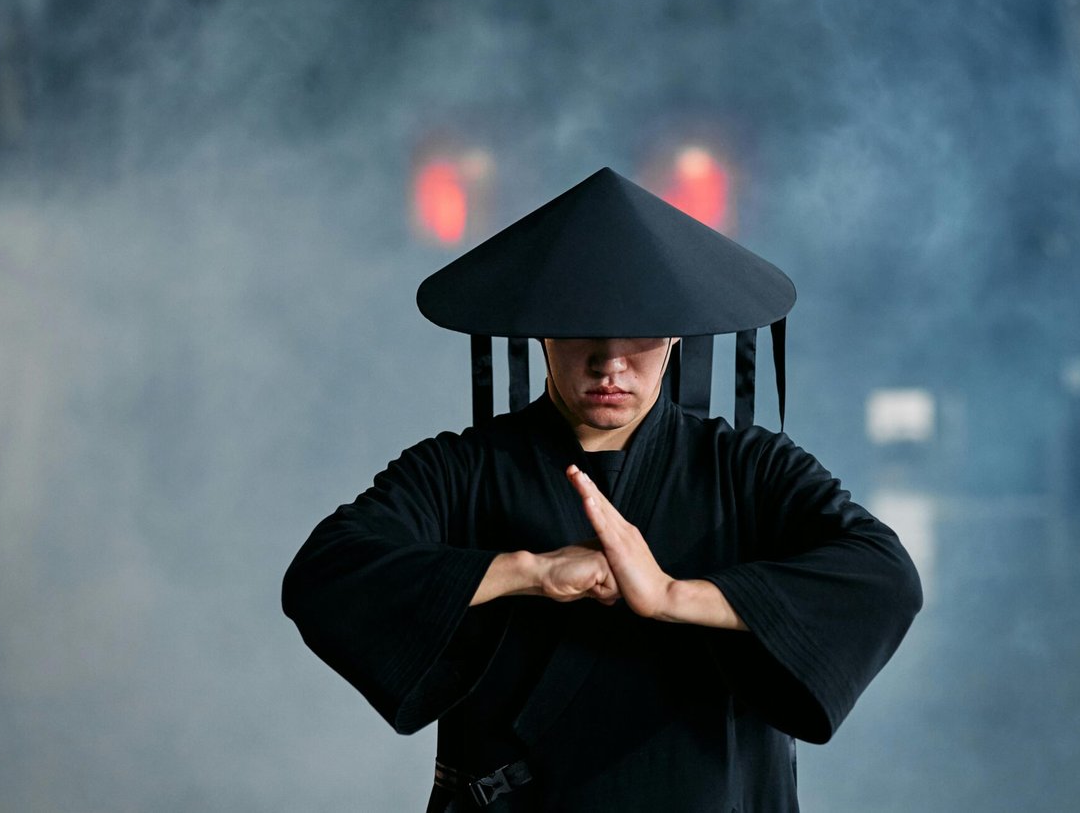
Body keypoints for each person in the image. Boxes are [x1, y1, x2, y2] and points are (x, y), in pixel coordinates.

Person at [283, 168, 922, 812]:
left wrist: (677, 595)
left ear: (675, 333)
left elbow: (883, 576)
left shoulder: (750, 469)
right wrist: (526, 571)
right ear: (542, 330)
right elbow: (327, 573)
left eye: (638, 332)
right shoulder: (460, 470)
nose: (610, 361)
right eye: (583, 328)